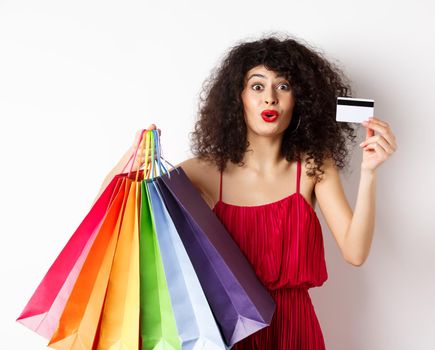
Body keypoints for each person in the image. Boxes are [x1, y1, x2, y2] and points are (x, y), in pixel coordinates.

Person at [98, 34, 397, 349]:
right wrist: (129, 160)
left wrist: (369, 173)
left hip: (296, 332)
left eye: (283, 86)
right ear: (237, 97)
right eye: (257, 86)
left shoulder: (312, 166)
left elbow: (355, 252)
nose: (270, 98)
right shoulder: (207, 171)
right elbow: (111, 216)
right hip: (231, 331)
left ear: (300, 99)